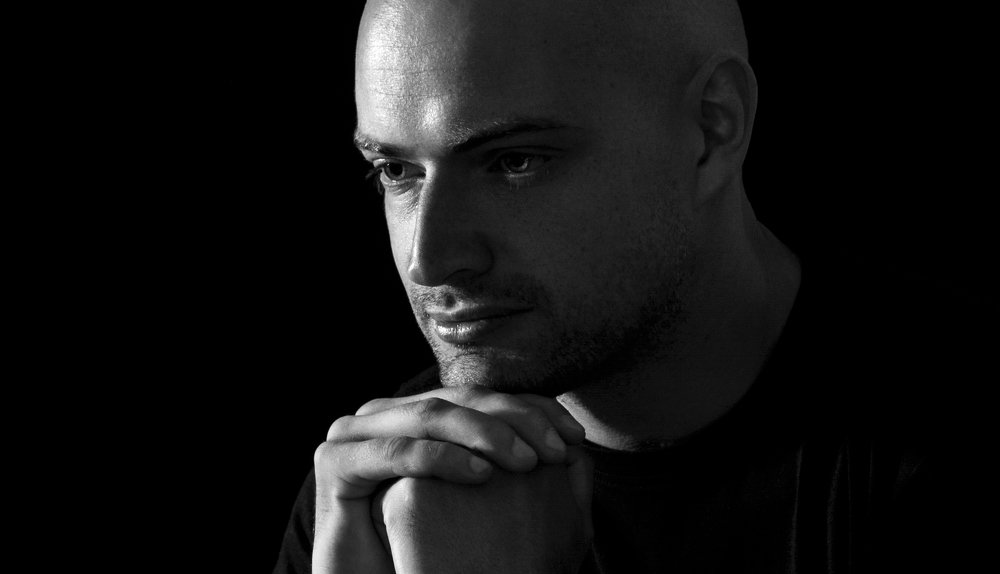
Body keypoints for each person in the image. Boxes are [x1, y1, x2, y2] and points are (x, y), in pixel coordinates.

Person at [275, 0, 984, 572]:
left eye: (514, 161)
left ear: (712, 128)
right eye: (397, 172)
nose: (429, 262)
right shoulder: (388, 478)